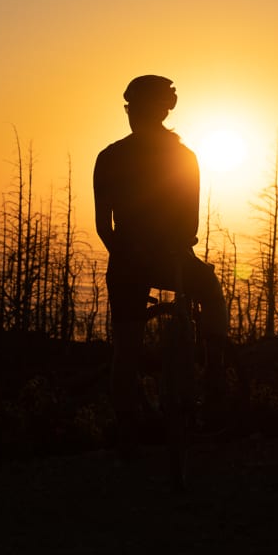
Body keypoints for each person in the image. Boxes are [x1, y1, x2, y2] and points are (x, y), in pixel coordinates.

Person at [93, 74, 229, 455]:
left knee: (127, 350)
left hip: (127, 263)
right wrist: (174, 250)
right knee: (211, 291)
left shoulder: (109, 157)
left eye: (133, 108)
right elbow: (190, 225)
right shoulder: (183, 157)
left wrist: (123, 253)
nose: (131, 114)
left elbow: (105, 225)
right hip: (171, 258)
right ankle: (215, 371)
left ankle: (128, 430)